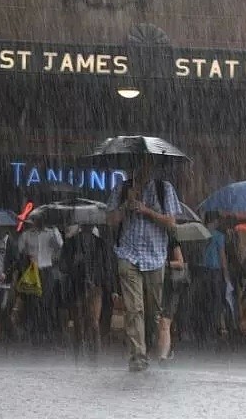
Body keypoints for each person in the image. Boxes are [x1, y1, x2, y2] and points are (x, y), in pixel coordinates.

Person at [106, 157, 182, 372]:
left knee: (154, 309)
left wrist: (147, 211)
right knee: (134, 308)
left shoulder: (163, 189)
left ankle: (149, 344)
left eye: (145, 164)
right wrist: (125, 206)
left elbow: (171, 223)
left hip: (155, 256)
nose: (141, 169)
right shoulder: (121, 188)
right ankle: (137, 355)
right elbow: (110, 220)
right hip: (128, 254)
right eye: (137, 165)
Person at [60, 223, 116, 360]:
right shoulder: (75, 244)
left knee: (89, 321)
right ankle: (87, 353)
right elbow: (108, 267)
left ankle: (87, 354)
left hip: (91, 285)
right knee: (86, 321)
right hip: (82, 285)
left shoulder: (97, 244)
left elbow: (107, 267)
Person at [17, 214, 63, 344]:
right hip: (32, 270)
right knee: (32, 301)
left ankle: (45, 330)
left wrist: (54, 229)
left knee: (45, 301)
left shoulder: (51, 233)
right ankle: (32, 330)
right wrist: (27, 257)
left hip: (46, 271)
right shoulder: (27, 234)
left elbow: (60, 244)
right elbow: (20, 249)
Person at [197, 212, 229, 347]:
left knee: (205, 302)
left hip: (202, 270)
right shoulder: (219, 236)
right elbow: (222, 256)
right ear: (215, 220)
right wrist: (226, 274)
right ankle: (214, 329)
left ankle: (203, 331)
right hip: (215, 272)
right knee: (216, 302)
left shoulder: (201, 234)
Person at [157, 235, 187, 365]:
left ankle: (163, 356)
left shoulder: (171, 241)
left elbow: (180, 262)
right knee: (158, 322)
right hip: (156, 285)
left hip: (170, 286)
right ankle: (164, 351)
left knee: (165, 321)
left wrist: (165, 264)